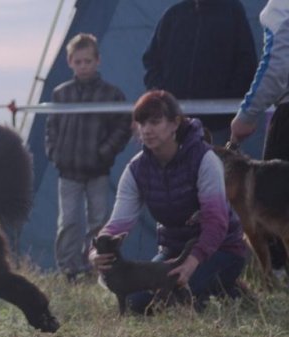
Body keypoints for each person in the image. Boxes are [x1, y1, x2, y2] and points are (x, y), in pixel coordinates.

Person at [90, 90, 248, 313]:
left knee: (181, 294)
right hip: (172, 252)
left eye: (155, 122)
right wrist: (95, 253)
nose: (146, 129)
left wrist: (192, 263)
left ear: (175, 123)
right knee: (136, 302)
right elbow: (118, 224)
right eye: (141, 122)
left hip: (223, 249)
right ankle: (214, 287)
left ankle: (231, 289)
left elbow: (216, 223)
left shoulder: (205, 160)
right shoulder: (136, 169)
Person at [45, 33, 131, 282]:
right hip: (68, 172)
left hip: (98, 171)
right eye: (78, 61)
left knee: (99, 221)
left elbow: (123, 126)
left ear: (98, 61)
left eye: (88, 61)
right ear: (70, 62)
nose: (83, 66)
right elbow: (51, 128)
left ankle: (97, 269)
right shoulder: (61, 94)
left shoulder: (111, 94)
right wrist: (56, 155)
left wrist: (104, 153)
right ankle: (68, 270)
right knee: (69, 222)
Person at [142, 0, 257, 144]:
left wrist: (227, 99)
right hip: (174, 124)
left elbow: (247, 63)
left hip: (218, 125)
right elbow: (151, 60)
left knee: (216, 165)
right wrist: (162, 93)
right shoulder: (173, 15)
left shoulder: (233, 13)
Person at [230, 0, 289, 274]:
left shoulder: (280, 8)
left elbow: (276, 66)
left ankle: (278, 273)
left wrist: (247, 114)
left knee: (274, 200)